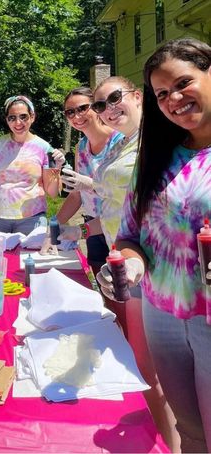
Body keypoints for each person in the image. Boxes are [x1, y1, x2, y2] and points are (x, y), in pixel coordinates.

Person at [98, 39, 211, 453]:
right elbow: (130, 235)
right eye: (162, 93)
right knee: (190, 431)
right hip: (160, 312)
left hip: (208, 318)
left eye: (183, 83)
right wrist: (131, 266)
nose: (173, 99)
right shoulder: (157, 156)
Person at [59, 76, 179, 451]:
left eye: (113, 99)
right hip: (127, 259)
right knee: (146, 367)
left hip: (165, 267)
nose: (106, 110)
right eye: (99, 105)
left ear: (137, 97)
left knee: (172, 371)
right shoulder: (120, 145)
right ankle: (173, 442)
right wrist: (79, 225)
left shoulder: (162, 138)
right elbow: (116, 202)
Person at [51, 86, 122, 275]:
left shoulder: (121, 142)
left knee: (127, 292)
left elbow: (126, 193)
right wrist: (53, 224)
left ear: (96, 107)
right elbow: (76, 195)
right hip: (92, 228)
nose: (77, 116)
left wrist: (89, 184)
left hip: (121, 229)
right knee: (103, 288)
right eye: (70, 112)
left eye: (83, 108)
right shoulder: (81, 147)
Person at [0, 95, 65, 235]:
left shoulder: (44, 148)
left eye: (24, 117)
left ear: (32, 117)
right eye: (12, 118)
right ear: (7, 120)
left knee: (29, 257)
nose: (18, 122)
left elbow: (52, 193)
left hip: (31, 220)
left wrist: (56, 169)